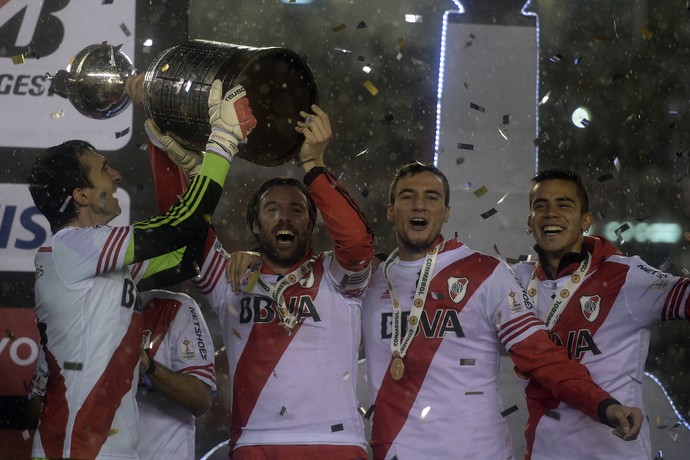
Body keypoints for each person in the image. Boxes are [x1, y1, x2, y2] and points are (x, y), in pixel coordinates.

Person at [26, 79, 256, 459]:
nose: (116, 176)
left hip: (110, 448)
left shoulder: (99, 263)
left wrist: (190, 171)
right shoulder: (72, 247)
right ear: (81, 196)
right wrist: (224, 141)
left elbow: (187, 255)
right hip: (75, 449)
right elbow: (177, 228)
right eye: (103, 170)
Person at [361, 161, 644, 460]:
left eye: (432, 197)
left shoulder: (486, 273)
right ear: (391, 210)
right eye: (407, 196)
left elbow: (542, 358)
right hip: (393, 451)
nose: (419, 205)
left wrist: (603, 405)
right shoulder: (367, 281)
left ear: (446, 212)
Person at [150, 104, 375, 459]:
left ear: (312, 224)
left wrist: (313, 166)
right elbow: (179, 228)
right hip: (257, 443)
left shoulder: (337, 277)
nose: (284, 217)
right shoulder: (230, 276)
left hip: (337, 444)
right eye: (272, 210)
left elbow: (359, 243)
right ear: (256, 226)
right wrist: (161, 145)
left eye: (297, 210)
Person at [512, 169, 690, 459]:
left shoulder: (626, 276)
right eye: (540, 205)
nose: (551, 213)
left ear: (586, 220)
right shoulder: (514, 283)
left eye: (564, 204)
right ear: (530, 220)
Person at [27, 289, 216, 460]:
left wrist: (146, 365)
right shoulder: (74, 315)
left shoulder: (176, 307)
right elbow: (36, 404)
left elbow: (201, 400)